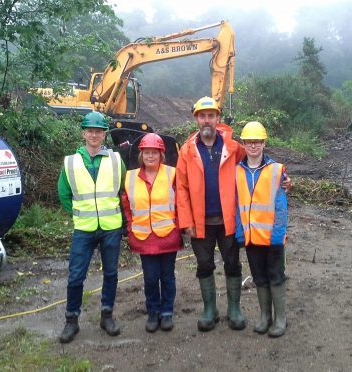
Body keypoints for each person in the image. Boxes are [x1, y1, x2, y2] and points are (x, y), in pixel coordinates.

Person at [176, 96, 247, 332]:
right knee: (204, 264)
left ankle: (234, 309)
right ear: (196, 119)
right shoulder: (186, 151)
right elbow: (182, 188)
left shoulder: (234, 148)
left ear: (218, 118)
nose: (207, 121)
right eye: (202, 116)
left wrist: (282, 178)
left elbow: (254, 165)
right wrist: (186, 222)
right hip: (200, 223)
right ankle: (210, 310)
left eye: (211, 116)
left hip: (228, 220)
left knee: (232, 263)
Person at [57, 111, 126, 343]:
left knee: (111, 274)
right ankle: (71, 320)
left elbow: (123, 189)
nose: (94, 134)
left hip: (110, 227)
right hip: (84, 229)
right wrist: (80, 214)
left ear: (104, 134)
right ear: (83, 133)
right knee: (76, 276)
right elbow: (64, 194)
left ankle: (107, 316)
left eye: (98, 130)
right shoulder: (70, 162)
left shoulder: (116, 160)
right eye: (90, 130)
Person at [122, 133, 183, 333]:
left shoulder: (172, 174)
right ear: (141, 155)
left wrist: (179, 226)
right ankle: (152, 312)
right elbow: (127, 206)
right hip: (143, 237)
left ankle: (166, 313)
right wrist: (131, 227)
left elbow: (180, 203)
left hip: (167, 235)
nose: (150, 156)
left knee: (167, 276)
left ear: (161, 154)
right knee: (150, 278)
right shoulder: (130, 177)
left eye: (154, 153)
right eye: (146, 152)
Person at [235, 121, 288, 337]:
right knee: (259, 278)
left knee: (276, 276)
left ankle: (280, 319)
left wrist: (277, 235)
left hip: (271, 238)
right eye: (249, 142)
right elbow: (237, 203)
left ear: (264, 143)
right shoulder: (238, 170)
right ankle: (265, 316)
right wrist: (240, 232)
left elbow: (281, 206)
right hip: (251, 238)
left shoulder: (276, 170)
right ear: (244, 144)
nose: (253, 146)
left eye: (257, 141)